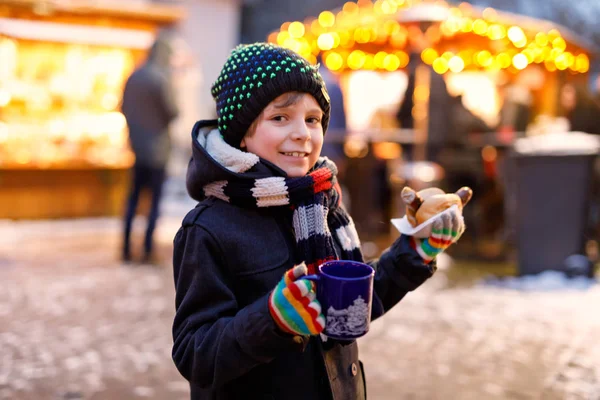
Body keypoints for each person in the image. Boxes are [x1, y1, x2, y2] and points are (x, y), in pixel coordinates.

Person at [172, 43, 466, 400]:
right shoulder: (208, 228)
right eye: (280, 118)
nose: (303, 133)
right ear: (243, 133)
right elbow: (195, 353)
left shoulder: (322, 201)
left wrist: (415, 250)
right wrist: (273, 319)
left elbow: (349, 308)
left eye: (312, 119)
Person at [121, 30, 180, 263]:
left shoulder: (134, 77)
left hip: (137, 148)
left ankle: (126, 246)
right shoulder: (161, 79)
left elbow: (122, 107)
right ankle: (147, 248)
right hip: (157, 151)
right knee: (154, 202)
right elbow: (173, 111)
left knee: (133, 199)